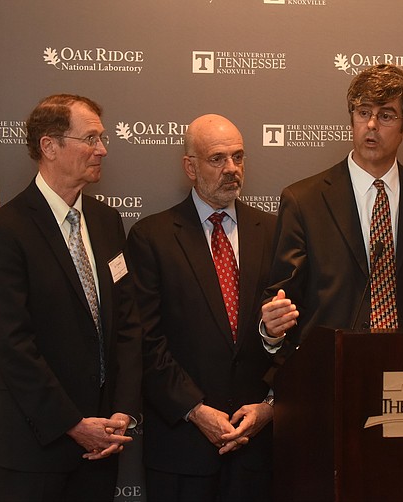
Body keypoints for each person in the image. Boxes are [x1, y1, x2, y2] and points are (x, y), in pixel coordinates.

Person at [0, 94, 141, 500]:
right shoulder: (5, 230)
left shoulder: (106, 221)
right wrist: (73, 423)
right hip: (35, 448)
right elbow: (13, 346)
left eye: (102, 138)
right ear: (49, 146)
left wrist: (121, 412)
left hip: (102, 445)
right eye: (90, 138)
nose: (102, 149)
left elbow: (128, 325)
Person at [261, 63, 403, 351]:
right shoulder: (304, 200)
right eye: (363, 112)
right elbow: (283, 299)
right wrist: (272, 326)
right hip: (332, 373)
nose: (371, 125)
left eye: (386, 115)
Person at [126, 114, 276, 501]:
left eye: (239, 157)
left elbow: (295, 333)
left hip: (256, 446)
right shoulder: (152, 237)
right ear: (190, 167)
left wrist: (270, 406)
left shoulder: (274, 232)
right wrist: (195, 410)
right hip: (181, 448)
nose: (232, 169)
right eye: (217, 159)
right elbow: (147, 340)